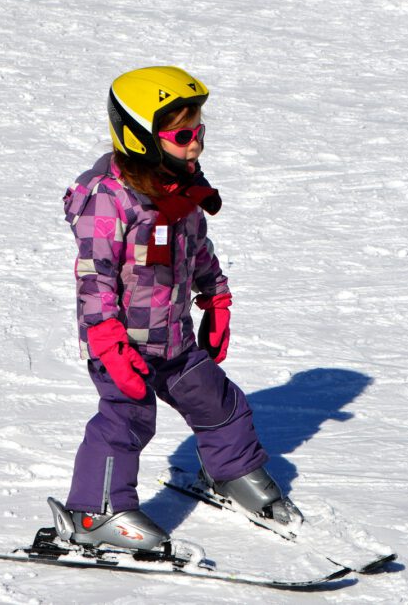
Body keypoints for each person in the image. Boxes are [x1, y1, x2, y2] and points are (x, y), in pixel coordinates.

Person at [49, 66, 301, 552]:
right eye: (183, 135)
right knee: (126, 421)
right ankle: (93, 513)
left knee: (220, 403)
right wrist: (106, 341)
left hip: (174, 338)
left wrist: (217, 296)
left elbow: (196, 247)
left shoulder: (177, 187)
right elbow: (93, 278)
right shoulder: (109, 199)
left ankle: (234, 473)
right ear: (141, 136)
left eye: (199, 132)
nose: (196, 146)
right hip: (123, 344)